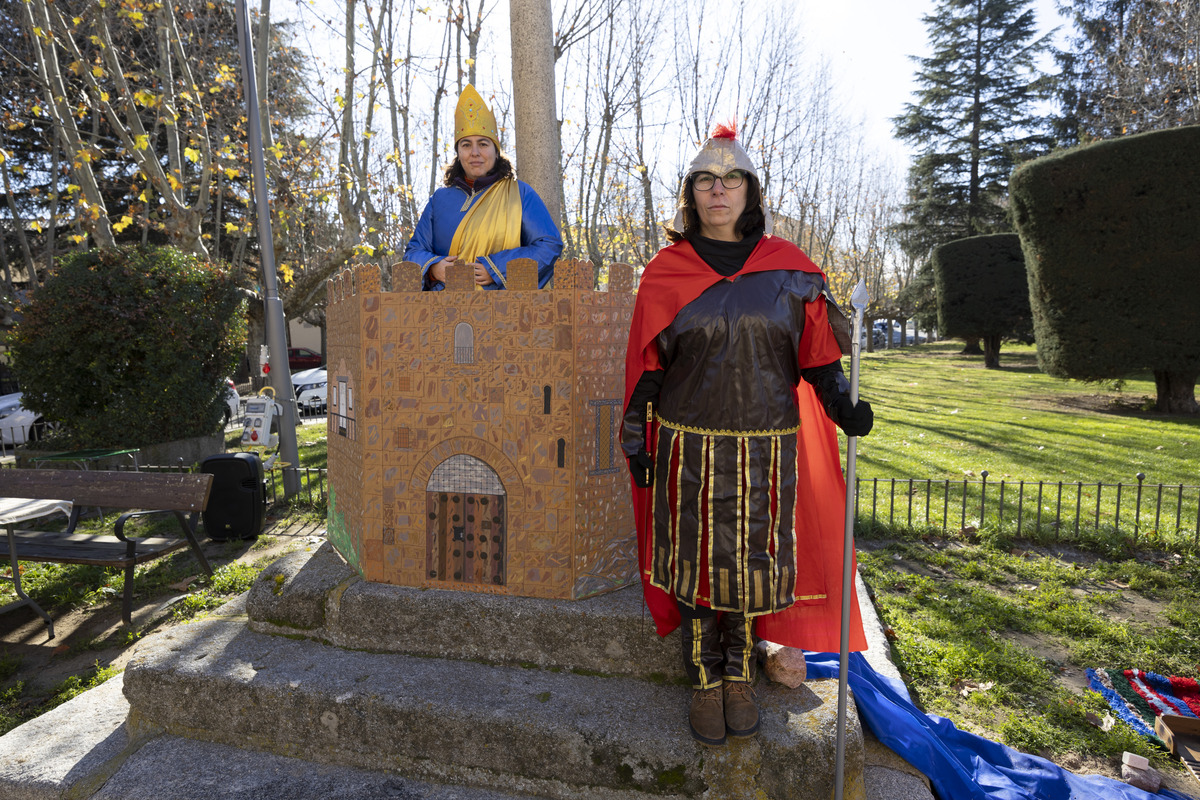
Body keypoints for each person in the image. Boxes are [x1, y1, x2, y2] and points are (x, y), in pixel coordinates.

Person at [621, 123, 875, 747]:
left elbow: (817, 358)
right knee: (696, 563)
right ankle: (704, 679)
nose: (718, 191)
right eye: (706, 181)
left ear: (750, 192)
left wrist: (842, 403)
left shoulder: (790, 271)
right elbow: (646, 368)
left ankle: (739, 673)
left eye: (731, 180)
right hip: (688, 447)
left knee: (750, 565)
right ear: (692, 193)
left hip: (765, 447)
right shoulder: (666, 271)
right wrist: (635, 440)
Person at [403, 85, 562, 290]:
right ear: (458, 153)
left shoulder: (520, 194)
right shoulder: (439, 200)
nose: (475, 152)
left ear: (496, 151)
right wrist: (433, 268)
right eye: (466, 144)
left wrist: (496, 268)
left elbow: (548, 245)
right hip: (445, 311)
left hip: (504, 311)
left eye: (483, 144)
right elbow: (413, 252)